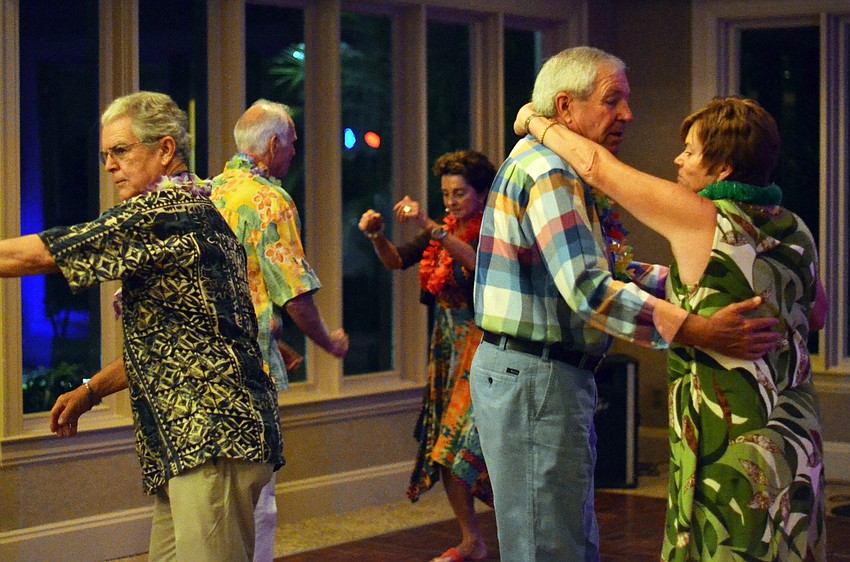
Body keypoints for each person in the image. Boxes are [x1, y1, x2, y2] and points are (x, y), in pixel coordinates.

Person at [470, 46, 782, 562]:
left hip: (544, 376)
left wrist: (707, 283)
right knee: (548, 547)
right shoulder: (549, 171)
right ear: (565, 108)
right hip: (536, 377)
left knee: (564, 536)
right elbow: (590, 290)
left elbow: (611, 271)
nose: (628, 115)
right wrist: (699, 330)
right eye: (612, 101)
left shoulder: (552, 164)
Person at [517, 95, 828, 561]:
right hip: (796, 421)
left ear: (722, 168)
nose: (678, 159)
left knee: (728, 539)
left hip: (731, 420)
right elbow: (816, 313)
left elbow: (598, 167)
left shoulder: (701, 216)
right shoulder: (795, 226)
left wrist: (535, 123)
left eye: (690, 150)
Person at [18, 91, 284, 561]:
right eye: (105, 155)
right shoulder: (198, 210)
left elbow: (48, 252)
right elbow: (170, 341)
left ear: (165, 150)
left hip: (212, 438)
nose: (109, 165)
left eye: (121, 151)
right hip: (190, 445)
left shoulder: (167, 213)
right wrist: (91, 390)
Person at [210, 98, 349, 562]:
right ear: (272, 145)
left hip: (203, 366)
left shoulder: (208, 193)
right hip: (248, 373)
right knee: (260, 499)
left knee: (218, 497)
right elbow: (293, 294)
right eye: (291, 144)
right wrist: (328, 342)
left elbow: (232, 289)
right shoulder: (269, 199)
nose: (293, 153)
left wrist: (279, 341)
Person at [358, 150, 496, 562]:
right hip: (447, 350)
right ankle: (472, 540)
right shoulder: (446, 229)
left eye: (459, 193)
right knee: (443, 448)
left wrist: (428, 224)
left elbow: (480, 264)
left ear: (483, 192)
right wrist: (376, 235)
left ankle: (524, 532)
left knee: (471, 447)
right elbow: (396, 260)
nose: (451, 201)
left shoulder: (493, 230)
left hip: (484, 347)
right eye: (446, 194)